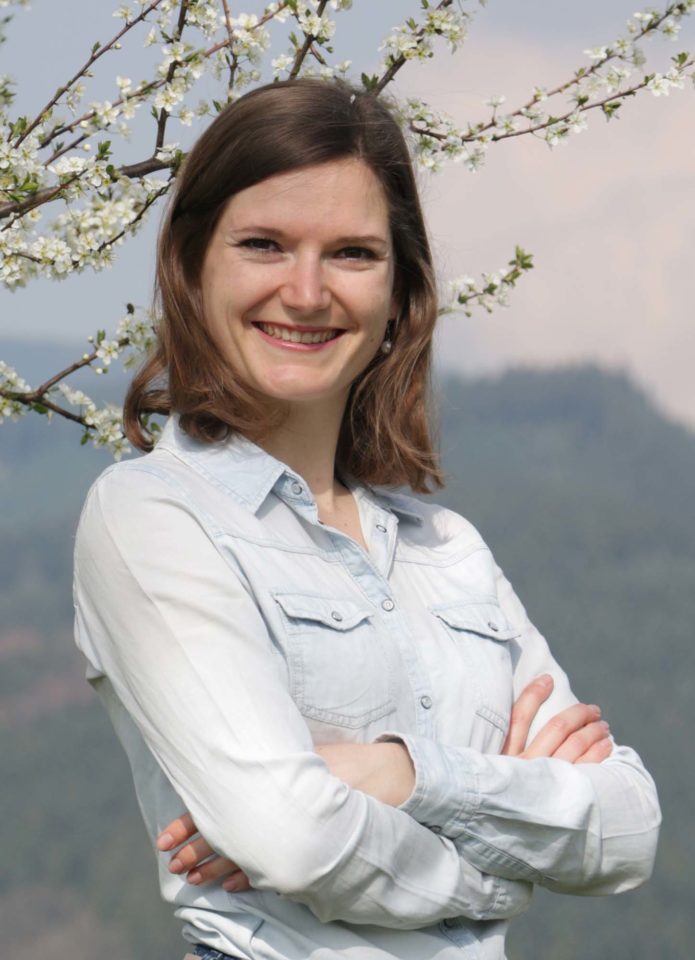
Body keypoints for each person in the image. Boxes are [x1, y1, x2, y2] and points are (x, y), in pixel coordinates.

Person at [72, 78, 660, 960]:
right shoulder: (152, 518)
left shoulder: (447, 549)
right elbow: (293, 838)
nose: (307, 291)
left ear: (398, 291)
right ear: (191, 266)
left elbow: (628, 828)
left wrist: (403, 774)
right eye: (264, 245)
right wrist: (497, 874)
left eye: (351, 253)